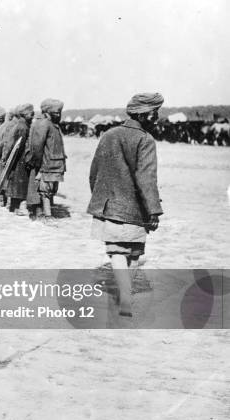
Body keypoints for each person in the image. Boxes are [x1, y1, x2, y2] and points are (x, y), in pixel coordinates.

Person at [88, 92, 164, 317]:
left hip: (109, 204)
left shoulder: (108, 134)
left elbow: (94, 172)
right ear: (145, 114)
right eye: (155, 113)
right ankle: (126, 298)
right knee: (133, 252)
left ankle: (124, 297)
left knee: (116, 251)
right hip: (135, 207)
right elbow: (146, 178)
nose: (157, 118)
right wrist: (153, 210)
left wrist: (101, 198)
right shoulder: (146, 140)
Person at [30, 98, 66, 222]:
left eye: (59, 112)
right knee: (45, 190)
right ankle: (47, 215)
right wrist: (39, 163)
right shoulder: (44, 124)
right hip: (47, 163)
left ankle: (47, 212)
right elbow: (37, 146)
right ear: (48, 112)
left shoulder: (54, 125)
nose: (59, 115)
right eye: (56, 112)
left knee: (51, 189)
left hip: (55, 163)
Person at [1, 103, 35, 215]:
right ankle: (20, 207)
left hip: (17, 159)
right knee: (20, 185)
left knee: (16, 183)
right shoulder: (23, 127)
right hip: (20, 159)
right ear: (25, 114)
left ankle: (14, 207)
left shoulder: (20, 125)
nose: (33, 115)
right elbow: (18, 145)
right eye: (31, 113)